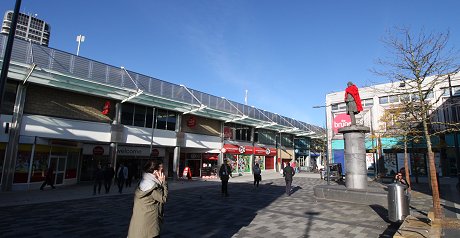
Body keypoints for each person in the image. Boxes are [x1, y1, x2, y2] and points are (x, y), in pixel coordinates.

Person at [128, 160, 168, 238]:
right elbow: (163, 199)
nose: (163, 172)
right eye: (162, 170)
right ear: (155, 172)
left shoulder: (143, 182)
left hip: (139, 222)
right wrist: (164, 183)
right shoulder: (153, 186)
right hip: (150, 224)